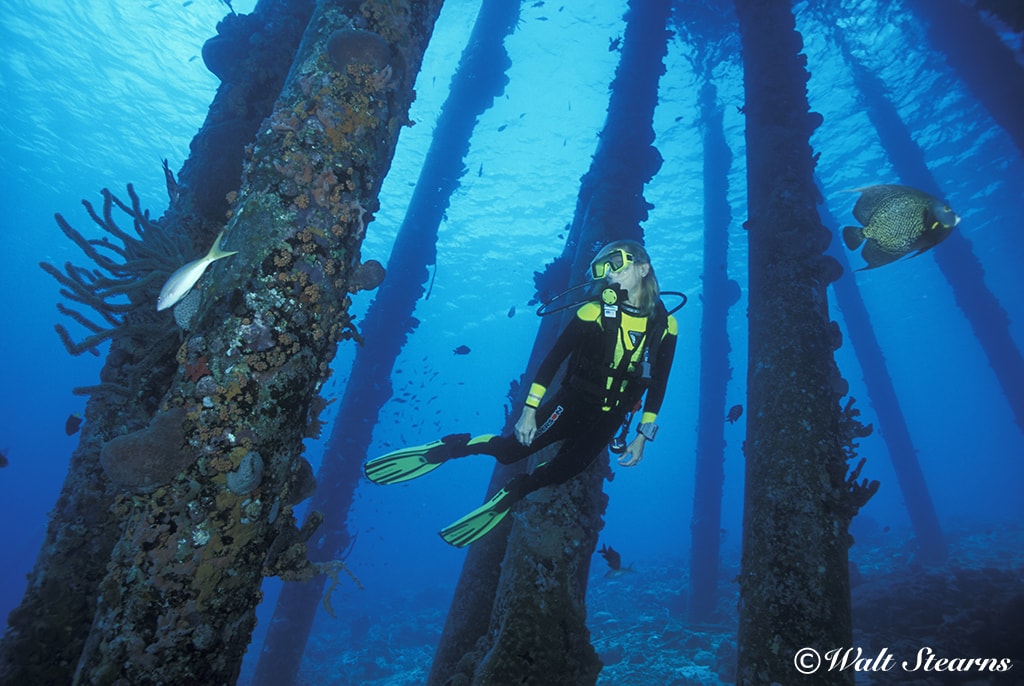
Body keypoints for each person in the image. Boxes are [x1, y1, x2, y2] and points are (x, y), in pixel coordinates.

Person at [363, 240, 678, 547]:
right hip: (572, 403)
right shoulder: (592, 313)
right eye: (602, 268)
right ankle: (452, 447)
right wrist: (529, 411)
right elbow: (551, 362)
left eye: (617, 264)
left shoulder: (666, 326)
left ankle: (515, 491)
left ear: (643, 268)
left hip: (611, 417)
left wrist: (642, 435)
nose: (609, 274)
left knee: (565, 470)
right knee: (509, 451)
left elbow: (658, 382)